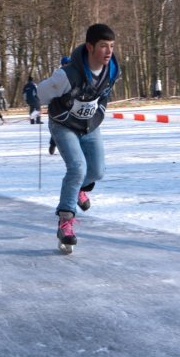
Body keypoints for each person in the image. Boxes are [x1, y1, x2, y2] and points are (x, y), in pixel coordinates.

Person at [37, 23, 120, 254]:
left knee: (98, 171)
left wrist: (97, 116)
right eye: (103, 46)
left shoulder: (112, 70)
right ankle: (65, 223)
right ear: (90, 47)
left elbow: (104, 97)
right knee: (77, 167)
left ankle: (80, 188)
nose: (109, 52)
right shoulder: (67, 75)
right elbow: (41, 93)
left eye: (111, 46)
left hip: (89, 125)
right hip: (64, 125)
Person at [48, 56, 73, 155]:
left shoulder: (72, 74)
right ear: (63, 64)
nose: (68, 65)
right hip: (59, 105)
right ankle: (53, 144)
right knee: (59, 126)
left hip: (70, 105)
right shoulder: (58, 75)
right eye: (67, 63)